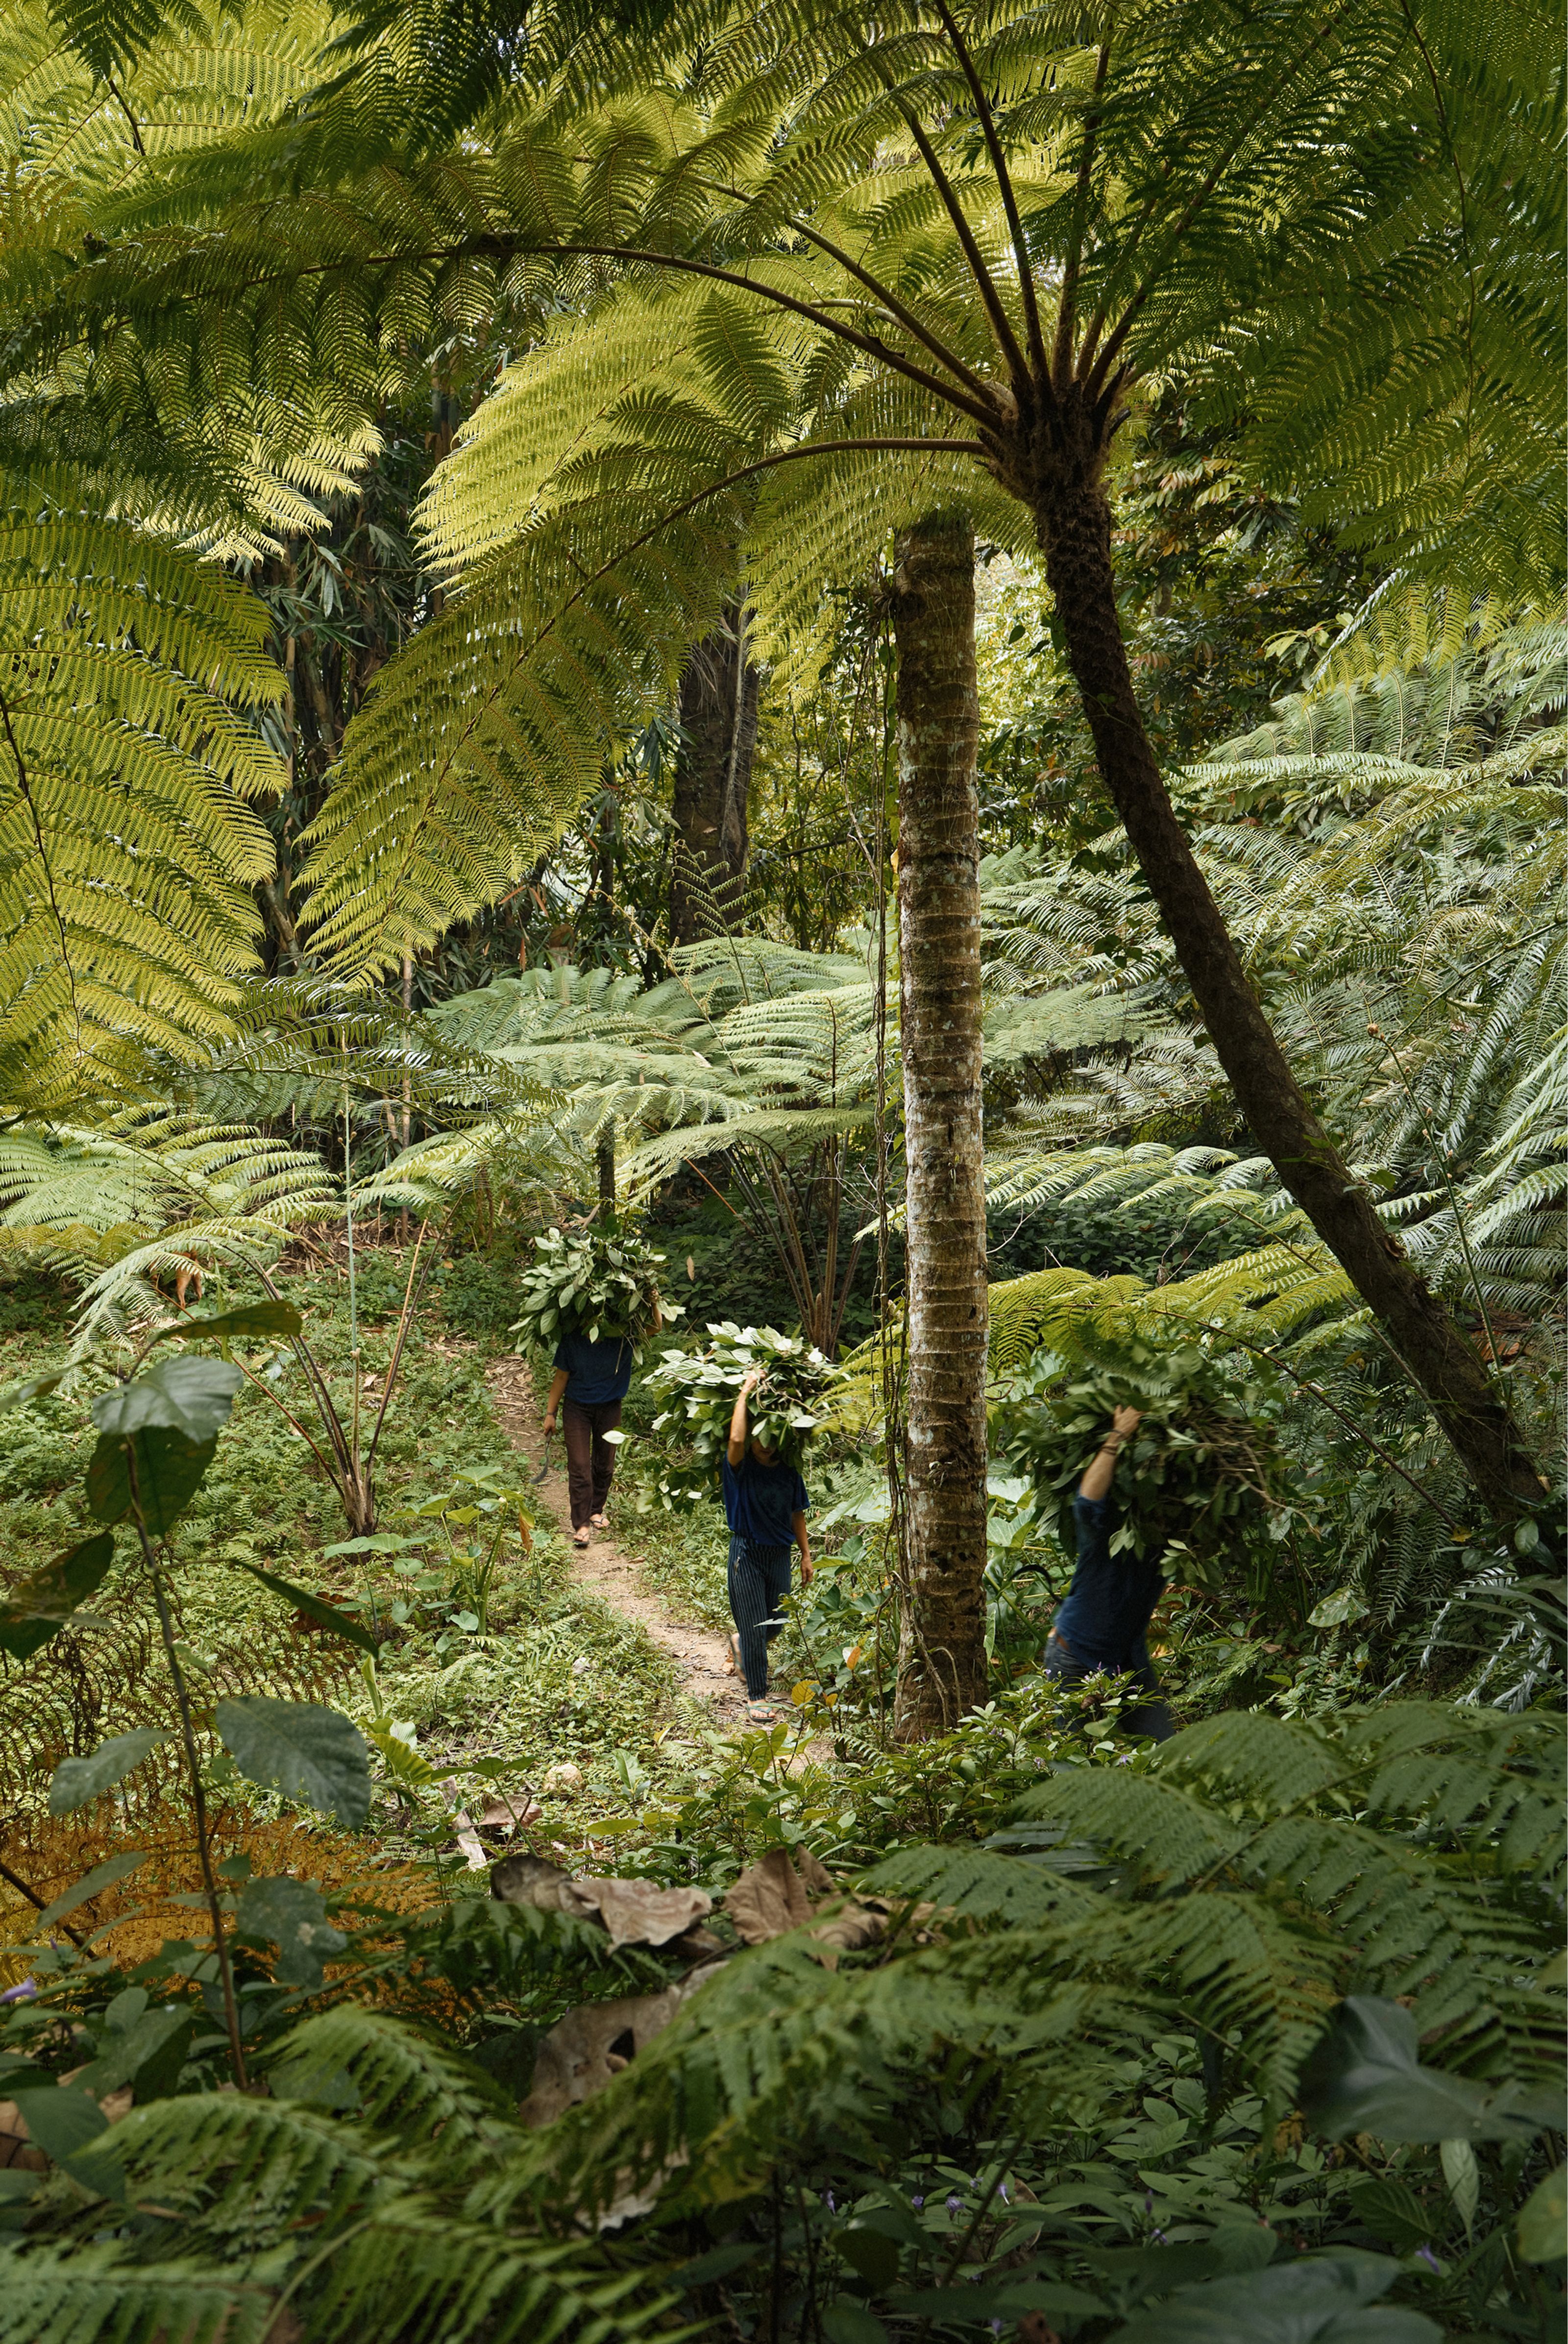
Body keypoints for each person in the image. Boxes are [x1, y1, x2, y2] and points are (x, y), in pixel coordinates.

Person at [1041, 1405, 1175, 1742]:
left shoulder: (1170, 1547)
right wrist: (1117, 1436)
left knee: (1165, 1749)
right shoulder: (1108, 1535)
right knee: (1074, 1756)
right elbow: (1087, 1500)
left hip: (1127, 1660)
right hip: (1074, 1657)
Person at [721, 1367, 813, 1725]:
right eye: (760, 1436)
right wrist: (745, 1393)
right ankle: (757, 1696)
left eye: (773, 1437)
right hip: (746, 1553)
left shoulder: (789, 1472)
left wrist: (806, 1555)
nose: (765, 1444)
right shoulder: (739, 1468)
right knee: (756, 1628)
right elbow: (735, 1441)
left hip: (779, 1555)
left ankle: (742, 1645)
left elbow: (797, 1513)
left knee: (776, 1622)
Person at [542, 1331, 636, 1547]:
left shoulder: (621, 1335)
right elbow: (561, 1376)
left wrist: (653, 1299)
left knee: (605, 1465)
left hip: (610, 1406)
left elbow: (655, 1328)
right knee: (580, 1465)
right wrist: (550, 1414)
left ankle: (595, 1510)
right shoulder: (572, 1338)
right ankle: (582, 1523)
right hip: (577, 1408)